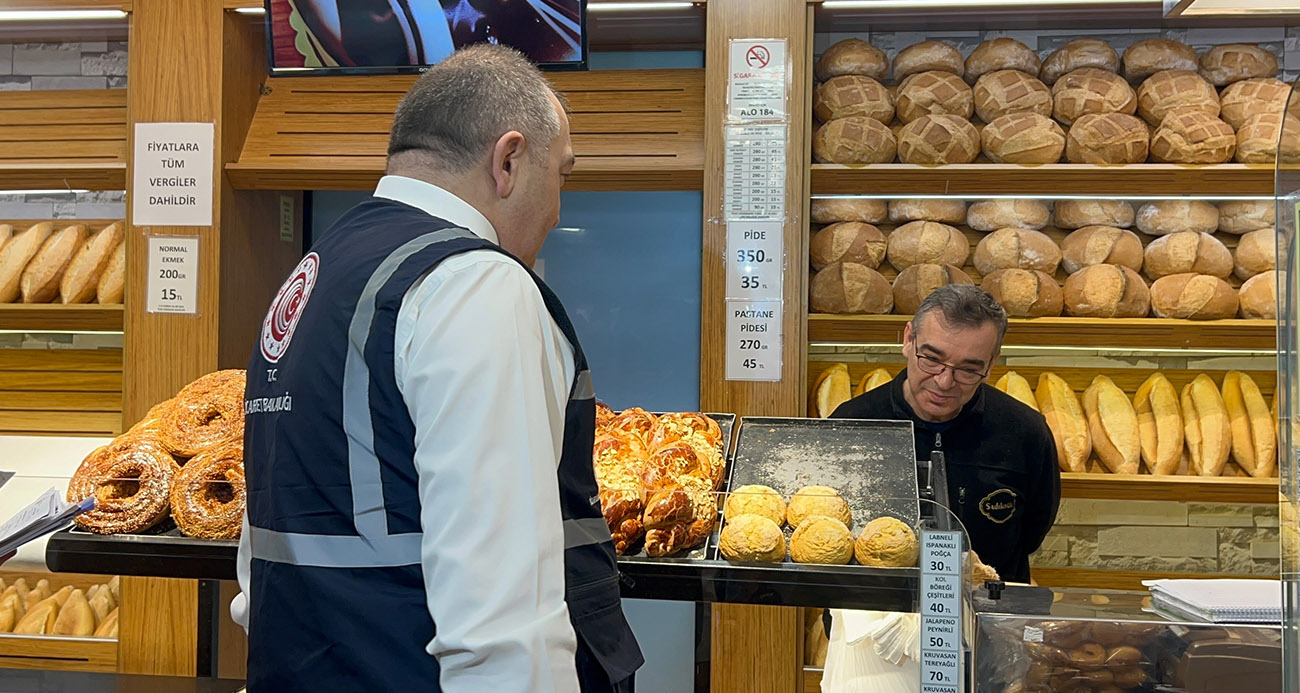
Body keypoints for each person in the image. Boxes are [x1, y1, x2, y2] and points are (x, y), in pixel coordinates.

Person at [232, 45, 643, 692]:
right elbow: (505, 625)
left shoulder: (313, 276)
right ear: (508, 161)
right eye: (563, 174)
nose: (560, 209)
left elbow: (262, 573)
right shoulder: (476, 284)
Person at [832, 284, 1060, 583]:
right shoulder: (850, 426)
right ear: (908, 339)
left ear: (991, 364)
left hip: (988, 617)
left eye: (967, 370)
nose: (944, 381)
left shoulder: (1026, 432)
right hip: (869, 620)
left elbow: (1031, 534)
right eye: (932, 359)